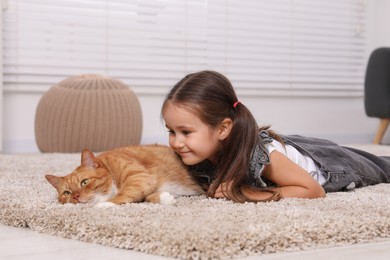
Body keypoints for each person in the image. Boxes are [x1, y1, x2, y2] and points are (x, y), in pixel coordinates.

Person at [161, 70, 390, 203]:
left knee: (382, 166)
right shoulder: (199, 154)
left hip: (331, 166)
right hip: (293, 147)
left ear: (222, 129)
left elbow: (313, 190)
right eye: (171, 131)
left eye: (186, 132)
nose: (176, 142)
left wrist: (248, 193)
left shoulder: (260, 157)